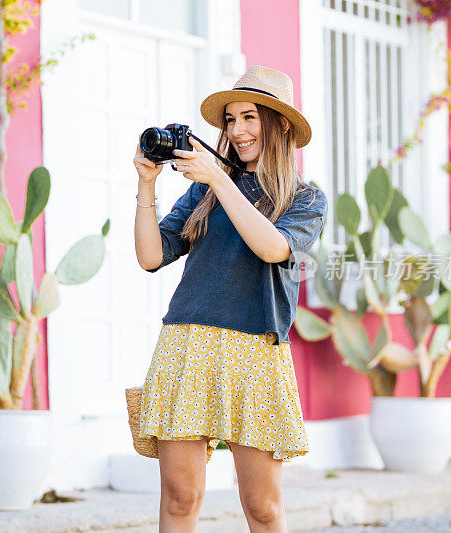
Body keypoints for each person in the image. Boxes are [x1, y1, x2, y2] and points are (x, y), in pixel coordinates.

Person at [132, 65, 328, 533]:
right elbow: (150, 256)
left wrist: (220, 180)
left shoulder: (306, 198)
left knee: (262, 507)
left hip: (256, 353)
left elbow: (273, 248)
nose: (237, 131)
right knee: (181, 498)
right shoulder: (205, 188)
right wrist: (146, 184)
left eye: (250, 118)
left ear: (279, 125)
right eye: (231, 120)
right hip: (188, 345)